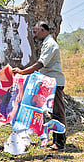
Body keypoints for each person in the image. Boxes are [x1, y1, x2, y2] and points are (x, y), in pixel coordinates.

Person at [12, 21, 67, 151]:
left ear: (43, 30)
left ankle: (60, 143)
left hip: (54, 83)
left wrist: (22, 71)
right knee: (53, 113)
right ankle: (55, 141)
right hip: (48, 83)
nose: (35, 35)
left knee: (58, 113)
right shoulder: (46, 44)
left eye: (36, 32)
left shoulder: (50, 45)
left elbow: (40, 64)